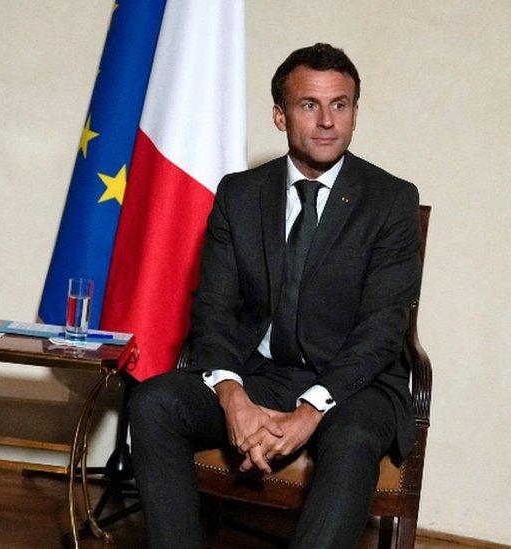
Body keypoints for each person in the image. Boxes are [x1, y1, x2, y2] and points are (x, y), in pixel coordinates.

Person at [129, 43, 422, 548]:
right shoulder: (240, 194)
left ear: (355, 114)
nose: (327, 121)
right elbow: (214, 307)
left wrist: (311, 410)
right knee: (155, 402)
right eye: (309, 104)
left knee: (351, 438)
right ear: (280, 116)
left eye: (341, 104)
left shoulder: (391, 200)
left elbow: (382, 330)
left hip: (355, 384)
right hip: (258, 373)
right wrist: (231, 395)